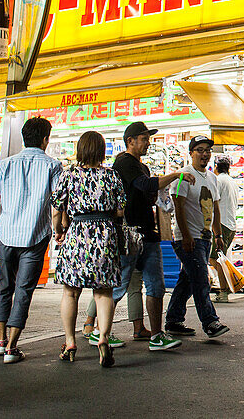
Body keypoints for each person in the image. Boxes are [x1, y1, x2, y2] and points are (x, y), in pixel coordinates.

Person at [84, 121, 182, 350]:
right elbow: (146, 185)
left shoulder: (142, 166)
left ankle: (157, 335)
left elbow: (148, 194)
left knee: (156, 284)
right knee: (119, 284)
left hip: (148, 234)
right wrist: (176, 175)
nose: (148, 143)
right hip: (128, 234)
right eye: (144, 138)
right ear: (131, 141)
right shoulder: (124, 163)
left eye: (148, 138)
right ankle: (99, 331)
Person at [0, 116, 63, 364]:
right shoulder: (53, 165)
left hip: (6, 234)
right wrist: (59, 228)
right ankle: (12, 347)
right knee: (24, 290)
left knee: (4, 287)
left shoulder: (5, 164)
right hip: (35, 236)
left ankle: (0, 340)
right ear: (46, 140)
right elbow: (57, 205)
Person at [51, 131, 126, 367]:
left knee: (70, 291)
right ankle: (103, 338)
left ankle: (70, 341)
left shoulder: (69, 175)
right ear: (102, 151)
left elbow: (56, 208)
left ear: (80, 149)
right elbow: (121, 210)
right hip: (104, 235)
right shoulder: (112, 176)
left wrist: (59, 230)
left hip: (78, 233)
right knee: (103, 292)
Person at [164, 135, 229, 339]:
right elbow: (178, 206)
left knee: (188, 279)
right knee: (201, 279)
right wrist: (184, 235)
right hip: (187, 237)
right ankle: (210, 322)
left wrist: (218, 234)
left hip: (205, 237)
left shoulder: (212, 178)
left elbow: (216, 207)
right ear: (191, 153)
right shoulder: (184, 174)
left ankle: (174, 320)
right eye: (199, 150)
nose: (204, 154)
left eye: (207, 150)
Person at [211, 157, 237, 302]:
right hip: (230, 223)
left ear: (216, 167)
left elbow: (215, 203)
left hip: (222, 224)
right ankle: (225, 283)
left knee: (216, 258)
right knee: (219, 257)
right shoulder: (231, 181)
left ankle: (223, 290)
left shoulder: (218, 181)